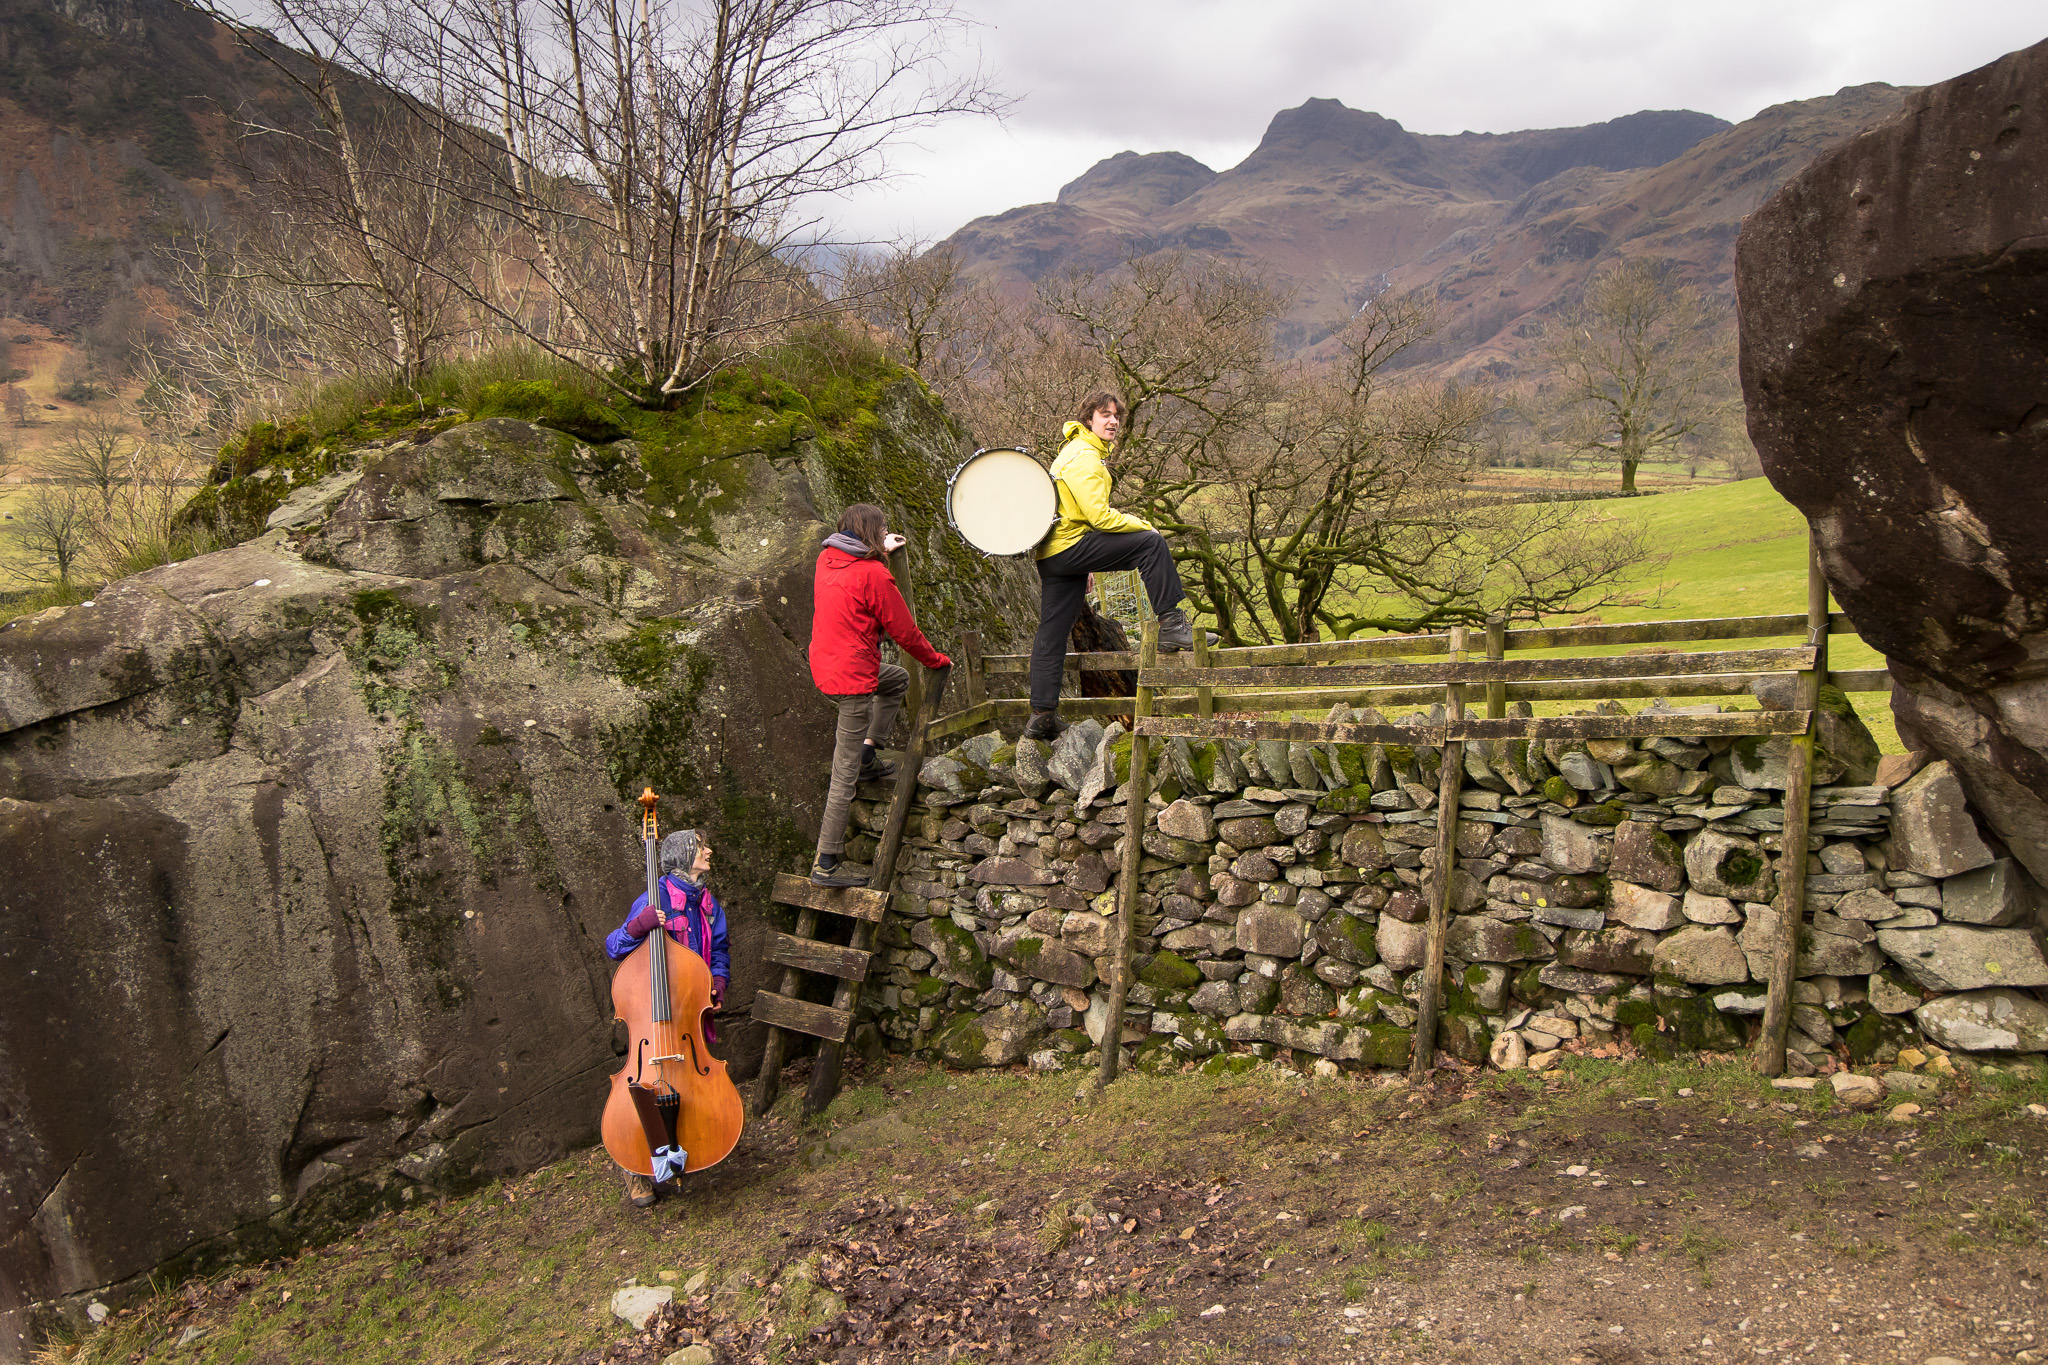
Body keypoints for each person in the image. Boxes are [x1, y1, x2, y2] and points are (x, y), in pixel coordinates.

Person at [1026, 392, 1203, 740]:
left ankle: (1042, 714)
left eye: (1116, 417)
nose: (1112, 422)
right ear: (1088, 418)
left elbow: (1072, 513)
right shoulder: (1085, 457)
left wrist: (1085, 563)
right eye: (1104, 415)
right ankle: (1171, 624)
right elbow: (1100, 517)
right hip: (1070, 546)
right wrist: (1144, 525)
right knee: (1150, 544)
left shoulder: (1072, 452)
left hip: (1054, 553)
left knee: (1051, 633)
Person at [808, 503, 951, 887]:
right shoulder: (874, 575)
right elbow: (904, 632)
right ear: (871, 533)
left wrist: (881, 546)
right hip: (853, 677)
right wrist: (936, 660)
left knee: (897, 680)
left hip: (826, 664)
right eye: (882, 528)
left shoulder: (827, 558)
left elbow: (858, 561)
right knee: (843, 774)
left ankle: (871, 751)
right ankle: (826, 861)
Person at [604, 827, 730, 1209]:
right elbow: (614, 947)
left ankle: (687, 1149)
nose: (708, 851)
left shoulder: (708, 903)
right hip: (654, 1020)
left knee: (689, 1088)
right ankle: (635, 1168)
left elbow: (720, 948)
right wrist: (637, 926)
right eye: (700, 846)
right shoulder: (654, 896)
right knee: (645, 1088)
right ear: (682, 856)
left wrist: (719, 980)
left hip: (688, 1015)